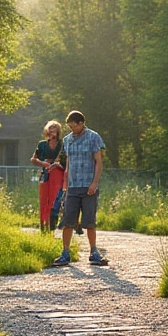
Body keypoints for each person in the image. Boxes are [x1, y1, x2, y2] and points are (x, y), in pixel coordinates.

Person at [54, 110, 108, 266]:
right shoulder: (67, 140)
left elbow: (98, 161)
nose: (72, 129)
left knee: (89, 221)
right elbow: (68, 163)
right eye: (69, 126)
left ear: (81, 123)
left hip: (88, 186)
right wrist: (65, 184)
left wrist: (95, 183)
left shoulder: (93, 137)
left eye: (73, 126)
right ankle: (65, 253)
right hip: (72, 186)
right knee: (67, 221)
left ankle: (94, 252)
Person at [32, 120, 67, 232]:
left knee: (56, 199)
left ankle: (53, 224)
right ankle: (43, 226)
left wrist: (58, 164)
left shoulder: (63, 144)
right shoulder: (42, 144)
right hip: (46, 173)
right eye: (50, 130)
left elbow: (67, 159)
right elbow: (34, 159)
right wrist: (43, 164)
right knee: (44, 200)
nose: (52, 133)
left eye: (54, 131)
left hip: (59, 173)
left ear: (58, 132)